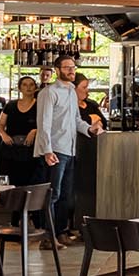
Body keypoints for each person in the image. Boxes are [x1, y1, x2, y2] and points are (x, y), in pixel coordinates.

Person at [34, 55, 100, 239]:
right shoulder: (49, 93)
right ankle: (48, 236)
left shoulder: (72, 90)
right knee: (52, 195)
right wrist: (47, 150)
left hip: (70, 149)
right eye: (67, 68)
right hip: (54, 149)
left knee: (67, 196)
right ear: (57, 70)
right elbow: (44, 123)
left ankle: (61, 232)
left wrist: (89, 129)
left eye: (73, 67)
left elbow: (76, 120)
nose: (71, 71)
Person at [0, 77, 40, 188]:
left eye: (31, 84)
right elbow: (0, 125)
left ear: (35, 87)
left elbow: (47, 124)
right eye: (25, 85)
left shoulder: (40, 106)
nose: (28, 87)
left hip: (30, 149)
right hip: (10, 147)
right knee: (7, 182)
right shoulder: (10, 105)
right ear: (20, 88)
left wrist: (35, 131)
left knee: (28, 183)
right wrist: (4, 135)